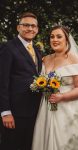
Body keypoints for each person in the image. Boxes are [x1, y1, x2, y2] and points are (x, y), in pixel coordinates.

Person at [0, 12, 42, 150]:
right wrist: (5, 112)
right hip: (15, 112)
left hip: (35, 110)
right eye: (26, 25)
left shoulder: (37, 50)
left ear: (37, 29)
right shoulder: (8, 47)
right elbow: (2, 81)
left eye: (33, 26)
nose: (30, 28)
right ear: (18, 27)